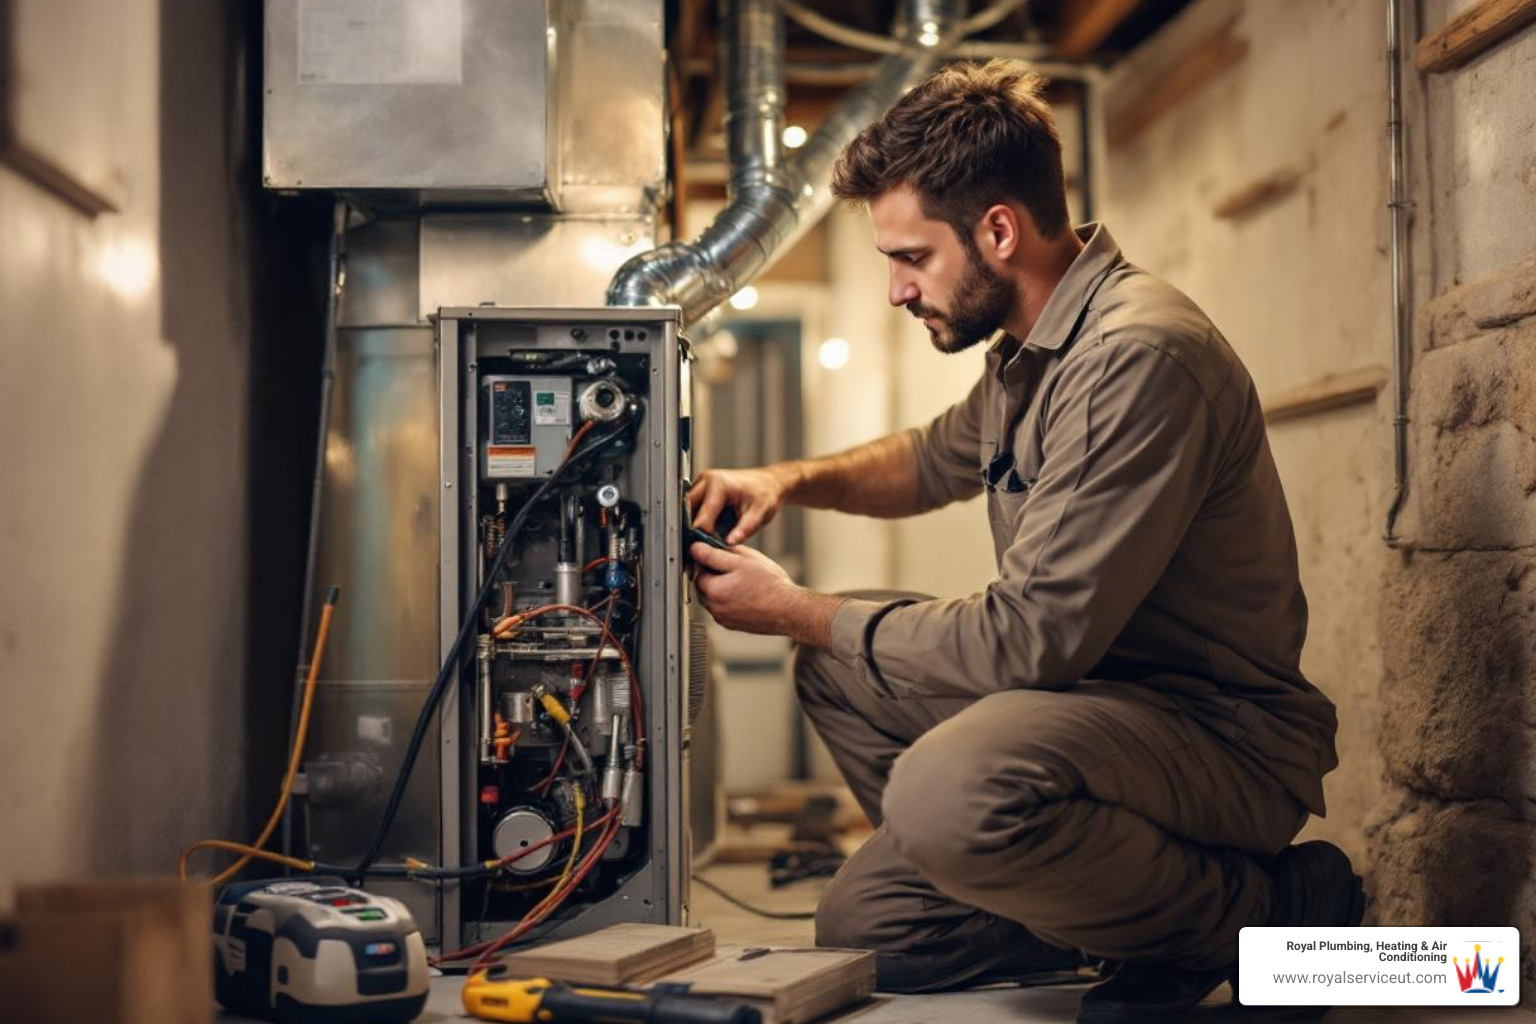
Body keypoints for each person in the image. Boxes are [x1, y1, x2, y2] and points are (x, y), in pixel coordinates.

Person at [687, 60, 1362, 1024]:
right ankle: (1110, 911)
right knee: (871, 922)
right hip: (1094, 711)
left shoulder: (1134, 356)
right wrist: (783, 479)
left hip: (1217, 736)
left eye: (911, 257)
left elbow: (1028, 641)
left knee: (944, 791)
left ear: (998, 231)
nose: (895, 290)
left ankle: (1269, 918)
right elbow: (929, 461)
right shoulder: (1031, 353)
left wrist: (795, 608)